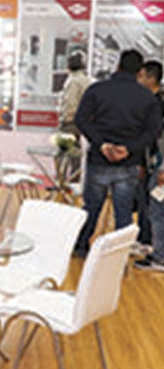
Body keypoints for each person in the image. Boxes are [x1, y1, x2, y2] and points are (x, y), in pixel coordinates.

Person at [73, 50, 161, 257]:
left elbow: (81, 120)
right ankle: (118, 255)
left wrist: (101, 143)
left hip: (98, 160)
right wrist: (129, 148)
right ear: (140, 72)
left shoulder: (97, 90)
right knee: (123, 212)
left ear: (118, 66)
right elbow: (153, 131)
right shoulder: (148, 98)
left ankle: (81, 246)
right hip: (129, 162)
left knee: (91, 208)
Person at [133, 61, 164, 253]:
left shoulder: (158, 104)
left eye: (141, 76)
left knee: (155, 206)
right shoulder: (150, 101)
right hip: (149, 160)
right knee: (147, 201)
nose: (138, 80)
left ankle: (154, 248)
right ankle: (146, 240)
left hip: (157, 162)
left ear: (151, 78)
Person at [59, 53, 91, 138]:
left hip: (72, 120)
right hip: (83, 119)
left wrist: (65, 118)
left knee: (68, 144)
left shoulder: (73, 81)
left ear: (68, 66)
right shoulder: (86, 80)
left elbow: (70, 101)